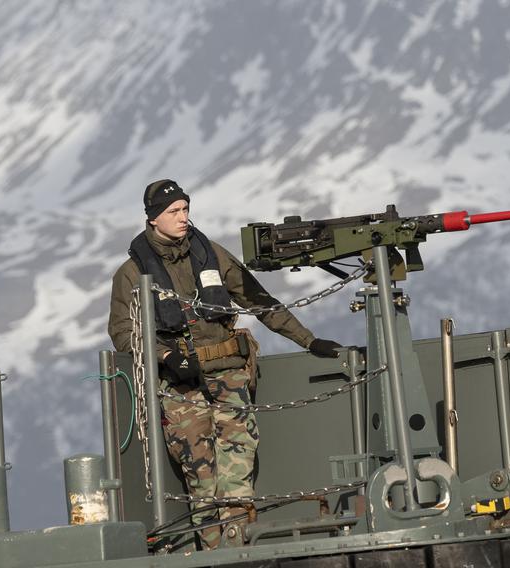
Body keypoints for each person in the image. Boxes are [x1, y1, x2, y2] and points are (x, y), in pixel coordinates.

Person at [108, 179, 341, 549]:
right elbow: (123, 333)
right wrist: (165, 356)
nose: (183, 217)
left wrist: (309, 340)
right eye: (173, 212)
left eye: (185, 209)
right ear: (153, 219)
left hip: (228, 376)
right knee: (201, 476)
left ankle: (239, 550)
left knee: (238, 468)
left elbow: (258, 301)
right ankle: (212, 552)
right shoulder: (133, 273)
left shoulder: (211, 255)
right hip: (181, 386)